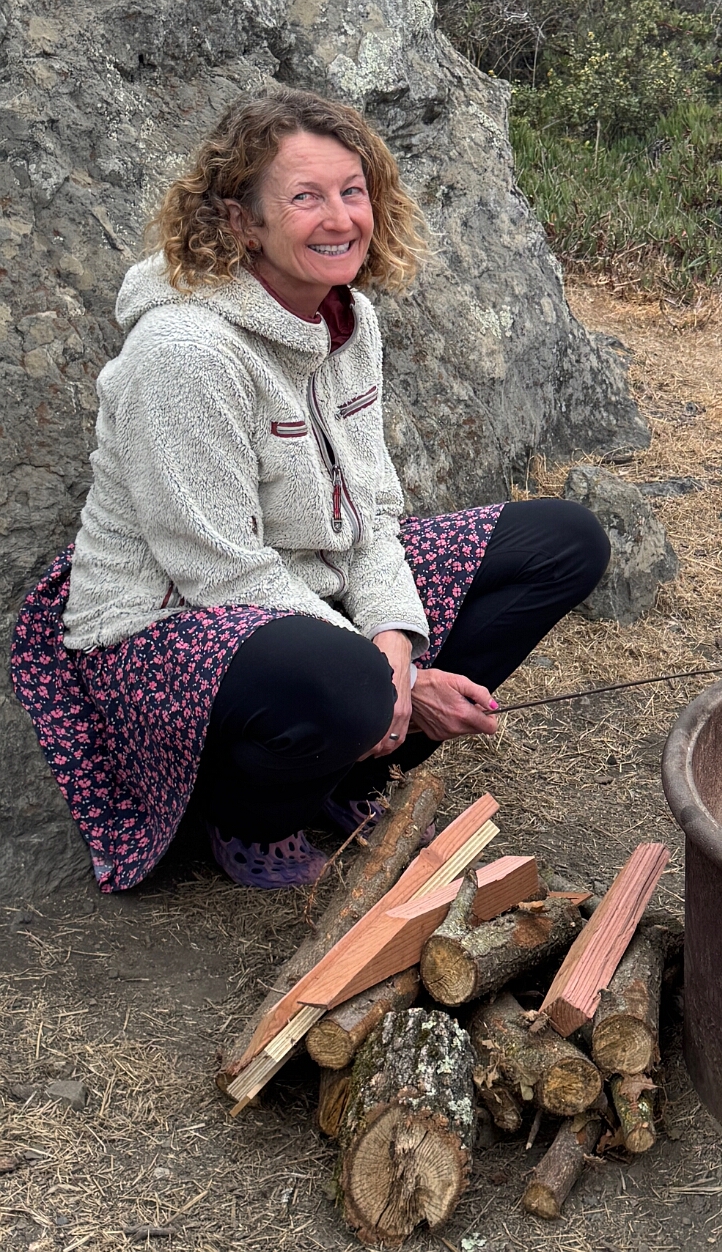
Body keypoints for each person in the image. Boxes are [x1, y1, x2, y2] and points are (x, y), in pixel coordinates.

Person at [8, 90, 610, 891]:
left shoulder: (346, 321)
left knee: (565, 540)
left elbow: (373, 515)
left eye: (352, 191)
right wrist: (398, 678)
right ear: (240, 221)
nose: (340, 218)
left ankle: (352, 769)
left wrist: (395, 641)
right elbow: (217, 569)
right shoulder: (185, 353)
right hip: (162, 631)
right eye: (305, 197)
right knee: (349, 677)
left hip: (309, 595)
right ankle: (249, 817)